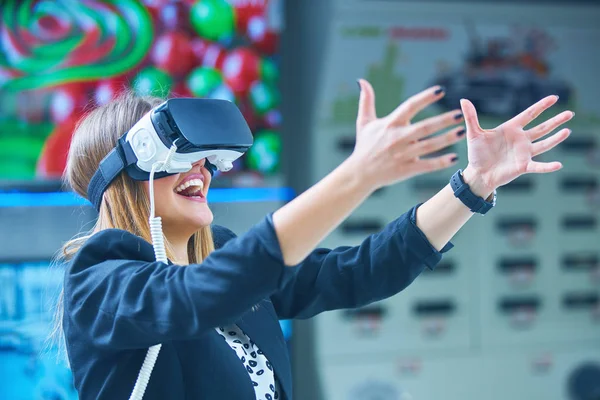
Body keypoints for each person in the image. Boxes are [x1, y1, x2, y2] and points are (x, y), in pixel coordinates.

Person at [53, 80, 573, 400]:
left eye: (205, 157)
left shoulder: (223, 252)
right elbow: (204, 295)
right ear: (128, 173)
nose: (203, 170)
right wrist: (358, 175)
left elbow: (359, 271)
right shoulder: (101, 283)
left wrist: (472, 186)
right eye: (178, 157)